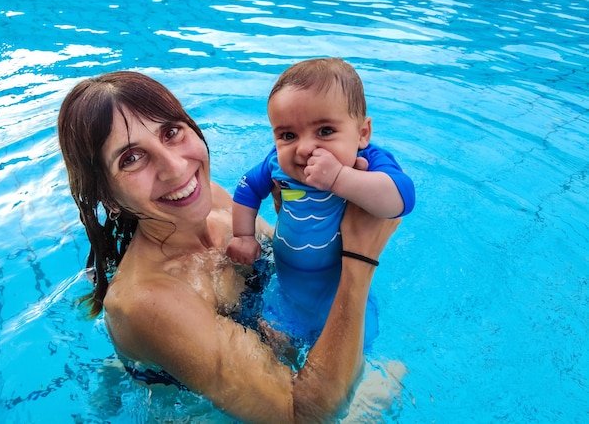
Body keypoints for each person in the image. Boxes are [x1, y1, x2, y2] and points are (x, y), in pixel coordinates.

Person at [57, 70, 402, 423]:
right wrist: (360, 258)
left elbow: (286, 270)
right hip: (200, 410)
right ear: (107, 197)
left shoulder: (216, 202)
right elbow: (303, 418)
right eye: (131, 158)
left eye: (171, 132)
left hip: (259, 355)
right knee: (387, 385)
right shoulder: (148, 301)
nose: (176, 169)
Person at [226, 58, 415, 342]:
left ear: (362, 133)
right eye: (288, 135)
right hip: (287, 294)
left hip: (339, 299)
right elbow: (247, 187)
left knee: (356, 359)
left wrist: (340, 179)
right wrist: (243, 235)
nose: (304, 148)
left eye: (325, 131)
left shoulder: (367, 161)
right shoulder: (276, 163)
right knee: (268, 350)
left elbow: (402, 198)